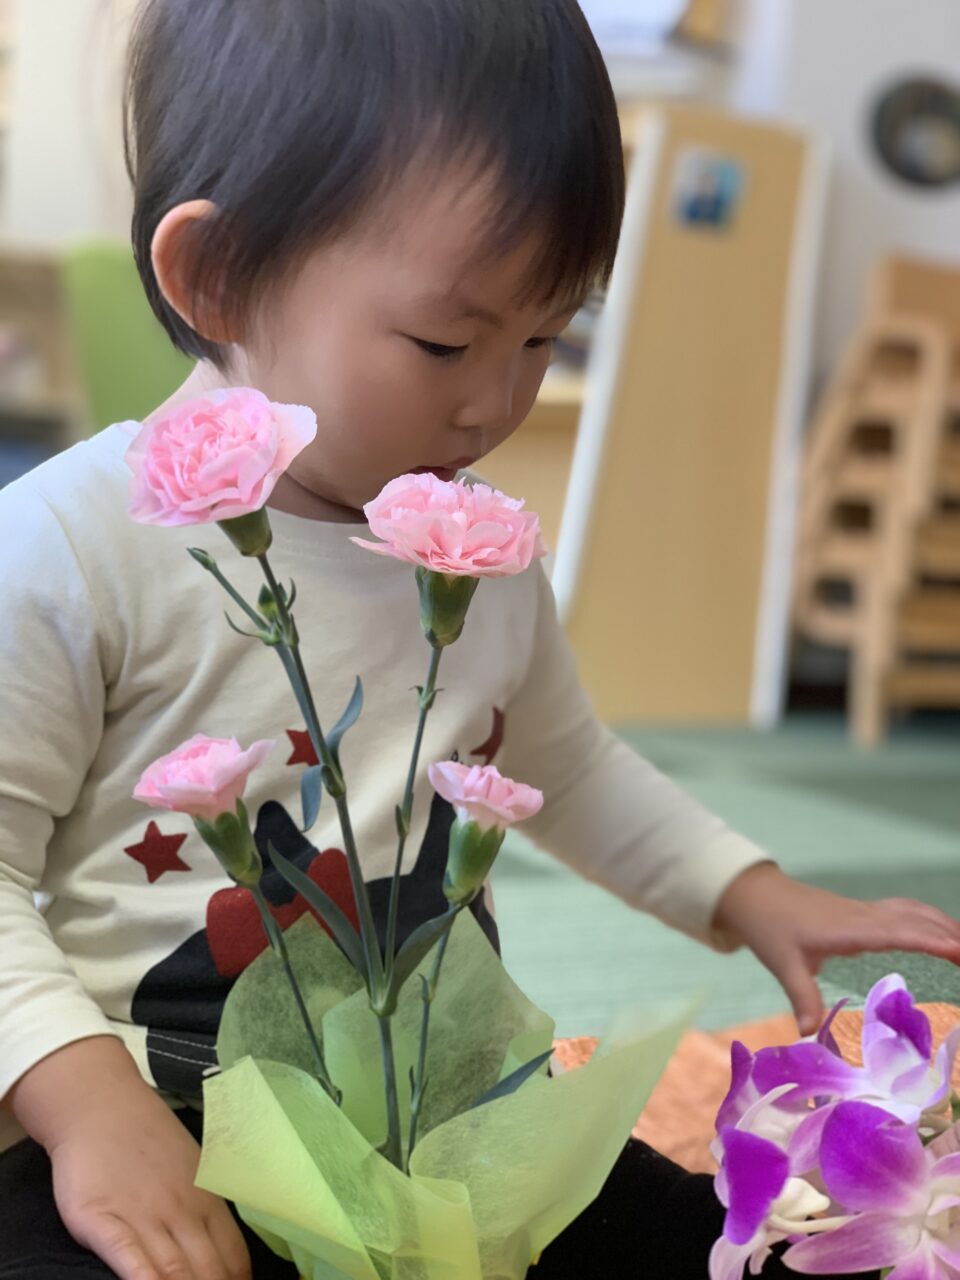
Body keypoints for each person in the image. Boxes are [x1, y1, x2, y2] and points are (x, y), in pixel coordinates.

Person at [0, 2, 955, 1277]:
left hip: (448, 1117)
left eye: (545, 336)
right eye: (447, 340)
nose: (498, 400)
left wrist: (750, 889)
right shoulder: (69, 544)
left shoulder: (476, 552)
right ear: (215, 274)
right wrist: (83, 1102)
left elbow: (576, 766)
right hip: (163, 1110)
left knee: (701, 1238)